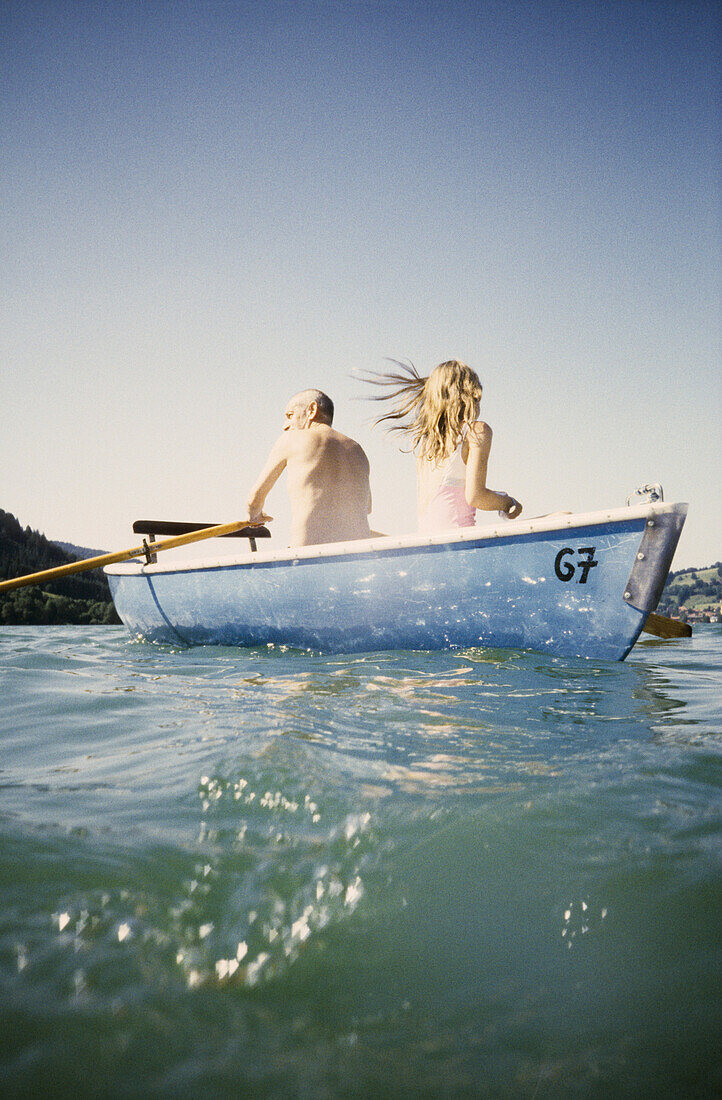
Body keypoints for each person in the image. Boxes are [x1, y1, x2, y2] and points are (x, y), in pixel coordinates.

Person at [364, 359, 521, 533]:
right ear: (468, 395)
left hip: (429, 543)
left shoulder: (427, 445)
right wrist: (508, 503)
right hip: (459, 541)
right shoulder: (477, 431)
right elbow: (476, 496)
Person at [246, 388, 374, 547]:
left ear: (312, 410)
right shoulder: (357, 449)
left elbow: (254, 499)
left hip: (309, 554)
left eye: (290, 416)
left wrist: (255, 517)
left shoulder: (292, 439)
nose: (285, 426)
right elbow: (367, 508)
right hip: (358, 556)